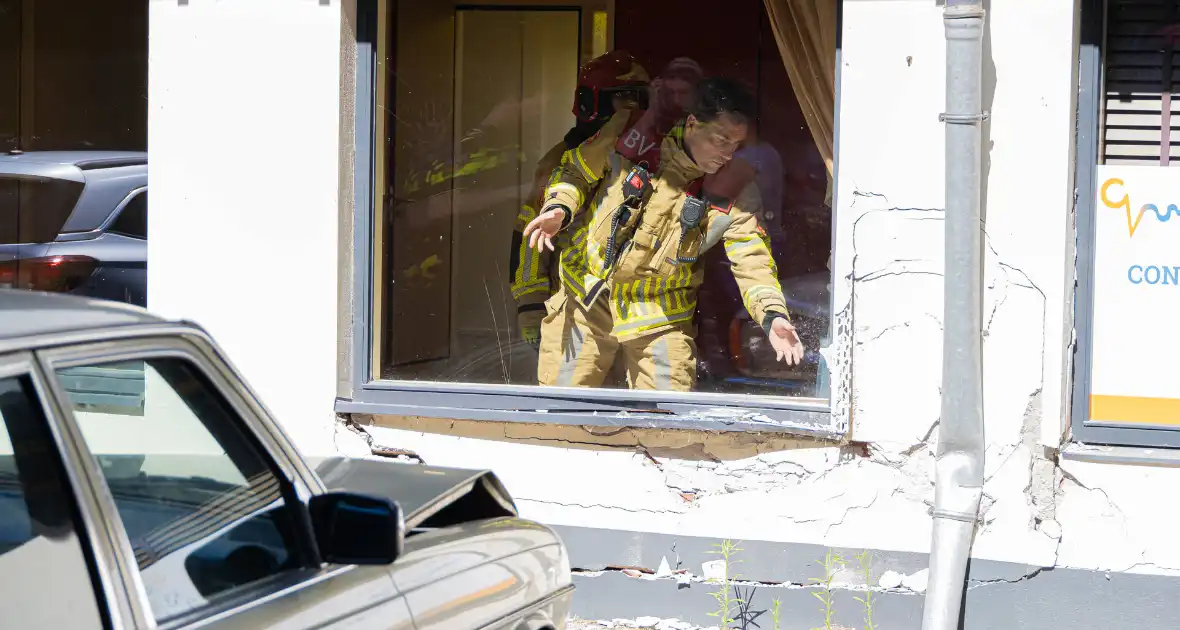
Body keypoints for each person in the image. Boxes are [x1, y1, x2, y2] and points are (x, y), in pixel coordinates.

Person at [522, 77, 805, 391]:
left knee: (666, 423)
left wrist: (772, 314)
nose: (727, 153)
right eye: (721, 140)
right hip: (585, 295)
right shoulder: (629, 136)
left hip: (658, 315)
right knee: (562, 414)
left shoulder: (734, 191)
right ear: (694, 123)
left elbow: (752, 258)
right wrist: (559, 207)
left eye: (736, 145)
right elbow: (574, 171)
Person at [509, 51, 651, 349]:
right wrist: (530, 307)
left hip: (636, 310)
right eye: (623, 100)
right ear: (591, 103)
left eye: (639, 99)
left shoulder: (653, 154)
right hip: (575, 306)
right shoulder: (559, 164)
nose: (633, 109)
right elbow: (530, 238)